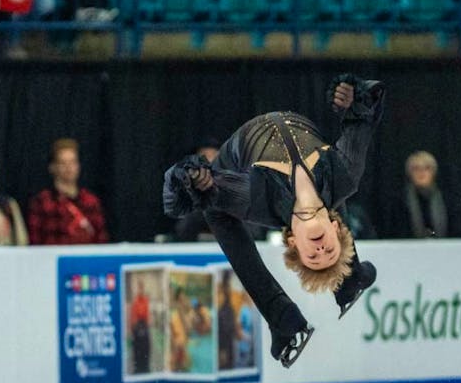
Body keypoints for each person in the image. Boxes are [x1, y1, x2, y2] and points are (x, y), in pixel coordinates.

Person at [163, 74, 384, 368]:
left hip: (238, 155)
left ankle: (281, 316)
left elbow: (183, 192)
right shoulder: (346, 174)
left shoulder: (256, 198)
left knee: (214, 210)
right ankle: (349, 277)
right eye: (329, 251)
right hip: (304, 133)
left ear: (293, 241)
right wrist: (351, 97)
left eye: (313, 257)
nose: (320, 250)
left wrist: (196, 179)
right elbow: (364, 111)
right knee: (334, 189)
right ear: (335, 228)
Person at [27, 138, 110, 245]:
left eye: (72, 162)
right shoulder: (41, 202)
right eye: (63, 163)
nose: (68, 168)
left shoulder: (90, 201)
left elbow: (101, 239)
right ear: (52, 167)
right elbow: (34, 242)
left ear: (78, 166)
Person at [402, 151, 449, 238]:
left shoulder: (446, 199)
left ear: (434, 172)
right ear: (409, 173)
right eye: (416, 168)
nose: (421, 172)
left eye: (427, 168)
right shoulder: (401, 202)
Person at [129, 279, 151, 374]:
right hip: (137, 326)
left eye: (142, 288)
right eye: (139, 288)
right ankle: (138, 366)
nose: (141, 290)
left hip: (144, 325)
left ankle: (145, 365)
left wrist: (146, 325)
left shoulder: (146, 301)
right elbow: (133, 316)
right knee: (137, 348)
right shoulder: (135, 302)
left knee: (146, 346)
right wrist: (133, 328)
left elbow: (147, 315)